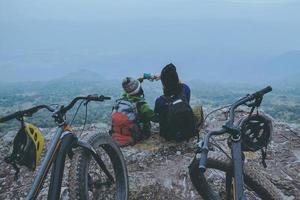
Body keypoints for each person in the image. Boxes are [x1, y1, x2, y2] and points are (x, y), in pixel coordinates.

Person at [111, 77, 158, 146]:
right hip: (137, 135)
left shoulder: (125, 96)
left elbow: (130, 88)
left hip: (119, 132)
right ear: (139, 90)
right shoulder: (142, 105)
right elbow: (155, 118)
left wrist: (144, 77)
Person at [154, 63, 196, 142]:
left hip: (169, 136)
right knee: (197, 110)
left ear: (164, 84)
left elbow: (156, 118)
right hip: (188, 131)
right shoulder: (185, 90)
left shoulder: (160, 101)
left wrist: (163, 78)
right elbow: (180, 85)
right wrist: (168, 77)